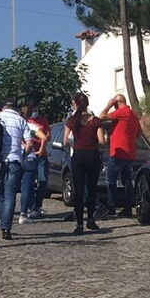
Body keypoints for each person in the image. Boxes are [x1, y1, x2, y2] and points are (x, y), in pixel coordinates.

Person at [61, 91, 104, 235]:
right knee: (92, 189)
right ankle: (91, 219)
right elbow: (102, 141)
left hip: (78, 156)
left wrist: (75, 143)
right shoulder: (96, 121)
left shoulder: (72, 121)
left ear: (76, 104)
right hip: (92, 156)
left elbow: (65, 141)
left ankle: (79, 224)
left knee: (78, 190)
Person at [0, 98, 32, 240]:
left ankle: (2, 222)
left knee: (0, 193)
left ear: (4, 107)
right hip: (14, 160)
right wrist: (22, 156)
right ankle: (6, 228)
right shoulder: (21, 120)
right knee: (10, 195)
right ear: (15, 108)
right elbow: (29, 144)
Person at [98, 92, 142, 218]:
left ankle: (111, 206)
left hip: (118, 151)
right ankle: (128, 208)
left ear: (117, 103)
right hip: (129, 152)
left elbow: (101, 116)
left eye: (114, 103)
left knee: (110, 179)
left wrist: (109, 105)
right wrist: (131, 141)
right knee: (127, 180)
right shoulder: (133, 114)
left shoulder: (121, 112)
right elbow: (139, 132)